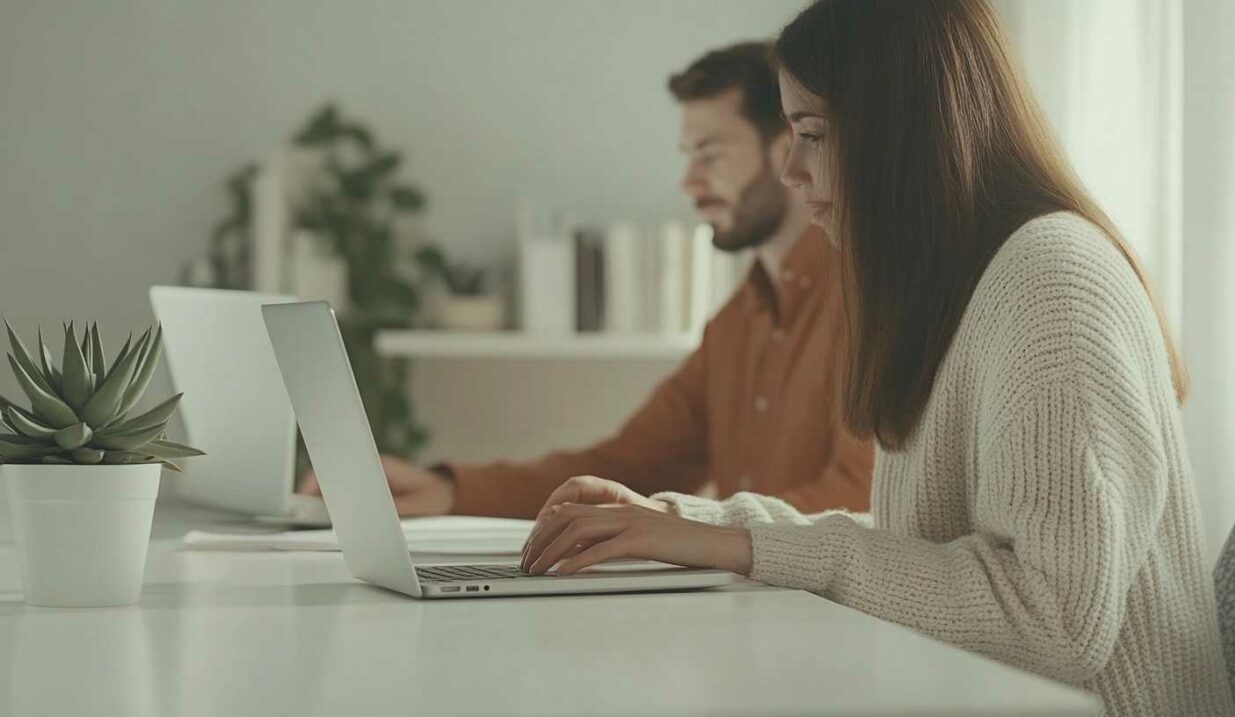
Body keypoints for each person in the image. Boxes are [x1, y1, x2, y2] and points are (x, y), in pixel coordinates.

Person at [520, 2, 1235, 714]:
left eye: (811, 134)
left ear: (904, 135)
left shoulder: (1051, 283)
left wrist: (741, 546)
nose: (793, 170)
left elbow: (1050, 618)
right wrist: (693, 527)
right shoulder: (955, 283)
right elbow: (918, 552)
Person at [301, 42, 876, 519]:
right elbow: (628, 465)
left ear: (787, 148)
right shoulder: (734, 323)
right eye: (687, 156)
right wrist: (448, 490)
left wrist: (685, 531)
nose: (689, 182)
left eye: (710, 154)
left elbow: (856, 502)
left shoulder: (870, 299)